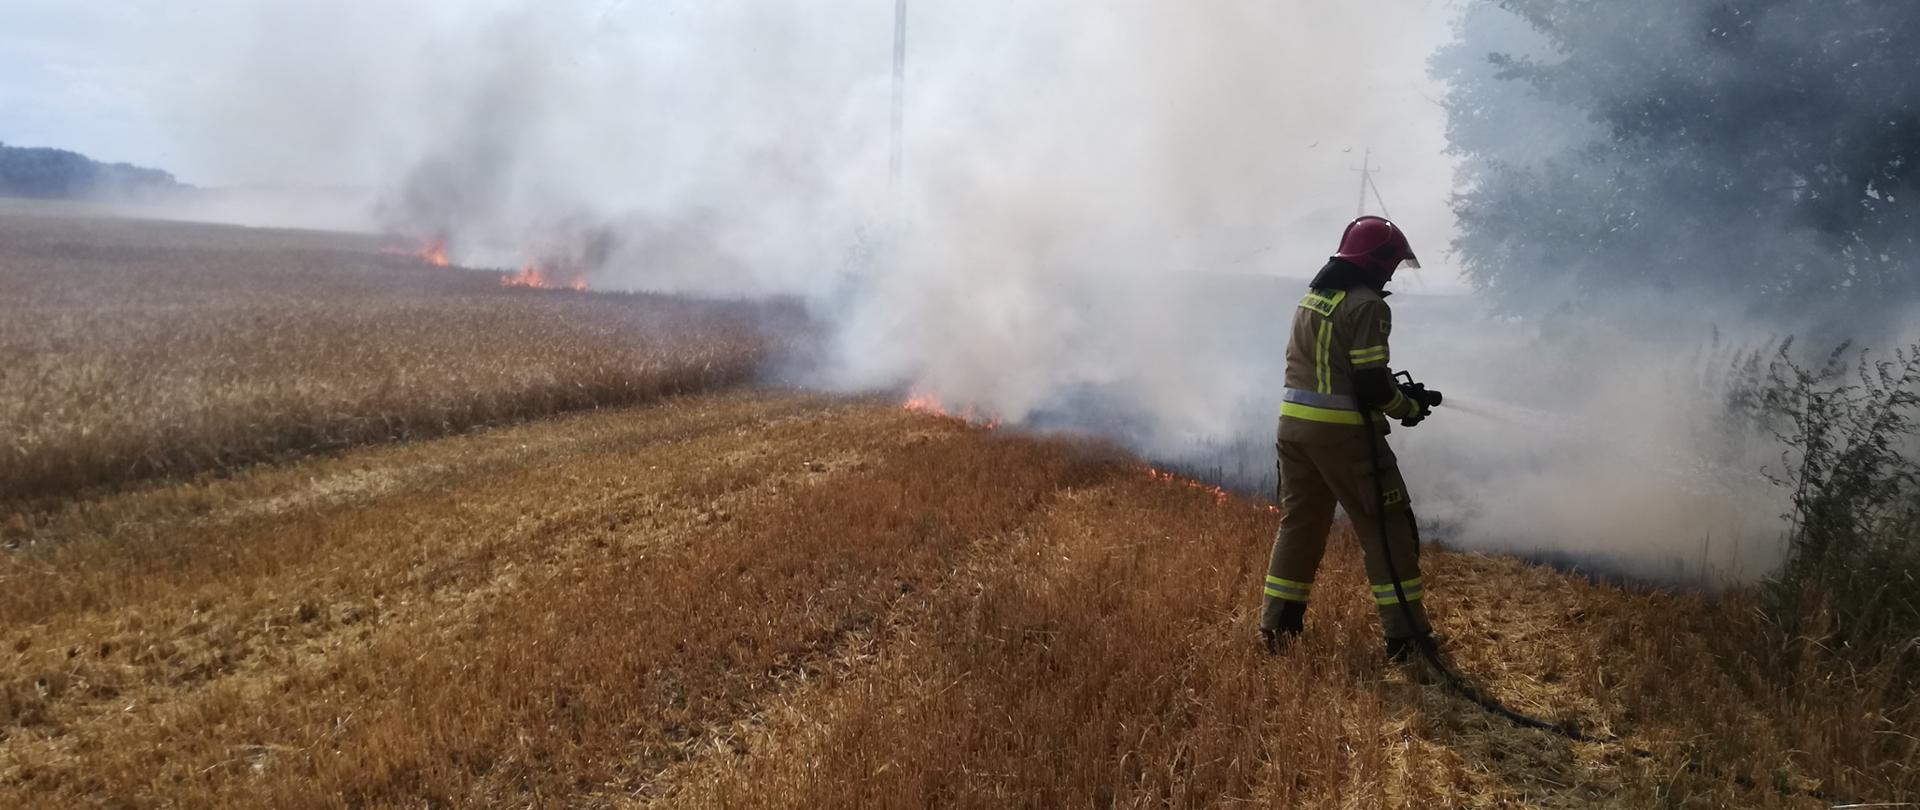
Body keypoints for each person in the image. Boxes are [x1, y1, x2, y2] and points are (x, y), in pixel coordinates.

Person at [1259, 215, 1441, 661]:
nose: (1392, 272)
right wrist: (1408, 407)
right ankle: (1407, 639)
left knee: (1300, 525)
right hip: (1343, 437)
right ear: (1374, 260)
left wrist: (1398, 394)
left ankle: (1278, 628)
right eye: (1391, 262)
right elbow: (1372, 386)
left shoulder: (1312, 300)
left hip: (1293, 431)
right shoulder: (1368, 306)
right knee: (1387, 527)